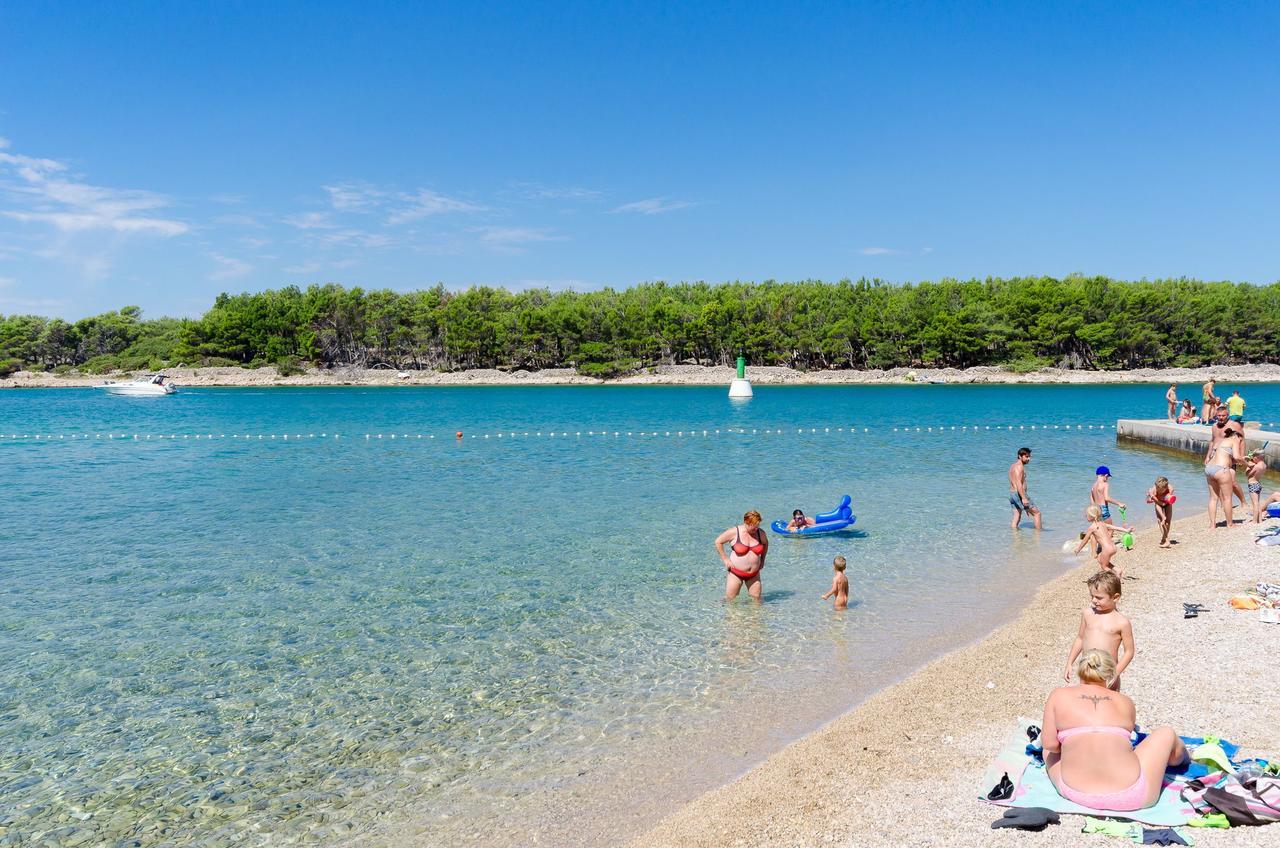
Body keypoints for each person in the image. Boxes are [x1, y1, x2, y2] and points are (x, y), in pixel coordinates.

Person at [1042, 649, 1188, 812]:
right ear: (1110, 674)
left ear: (1081, 670)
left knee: (1047, 750)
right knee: (1165, 733)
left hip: (1075, 791)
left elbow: (1050, 744)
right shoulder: (1125, 702)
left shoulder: (1058, 695)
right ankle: (1183, 758)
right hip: (1132, 797)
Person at [1063, 571, 1134, 691]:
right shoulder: (1087, 614)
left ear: (1115, 597)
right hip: (1087, 669)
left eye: (1099, 598)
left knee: (1109, 703)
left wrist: (1116, 672)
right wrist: (1069, 662)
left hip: (1107, 672)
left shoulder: (1122, 622)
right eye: (1092, 596)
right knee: (1086, 699)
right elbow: (1080, 638)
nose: (1094, 601)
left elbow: (1129, 652)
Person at [714, 510, 768, 602]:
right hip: (736, 573)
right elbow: (718, 542)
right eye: (753, 527)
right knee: (731, 601)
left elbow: (766, 544)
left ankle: (755, 617)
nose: (756, 529)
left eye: (757, 526)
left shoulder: (760, 533)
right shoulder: (735, 532)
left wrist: (762, 560)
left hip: (754, 575)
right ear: (746, 522)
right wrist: (725, 559)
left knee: (757, 601)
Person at [1074, 505, 1133, 579]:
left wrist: (1078, 549)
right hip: (1113, 547)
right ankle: (1117, 570)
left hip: (1106, 549)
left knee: (1104, 566)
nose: (1085, 516)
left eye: (1087, 515)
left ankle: (1115, 576)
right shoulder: (1103, 524)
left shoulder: (1092, 527)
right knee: (1099, 559)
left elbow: (1085, 540)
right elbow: (1115, 527)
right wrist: (1126, 530)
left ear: (1092, 516)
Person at [1204, 424, 1245, 529]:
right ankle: (1230, 524)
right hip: (1221, 469)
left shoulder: (1219, 441)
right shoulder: (1234, 440)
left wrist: (1238, 460)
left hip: (1209, 468)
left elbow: (1220, 456)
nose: (1239, 443)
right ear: (1236, 436)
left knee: (1213, 498)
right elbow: (1236, 456)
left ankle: (1212, 524)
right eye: (1240, 441)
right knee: (1227, 498)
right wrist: (1246, 463)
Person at [1207, 405, 1247, 508]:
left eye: (1223, 415)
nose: (1220, 417)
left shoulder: (1234, 425)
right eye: (1219, 415)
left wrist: (1241, 456)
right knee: (1218, 482)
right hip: (1215, 457)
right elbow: (1212, 441)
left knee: (1232, 482)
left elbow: (1242, 440)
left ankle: (1243, 501)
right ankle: (1223, 504)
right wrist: (1207, 457)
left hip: (1230, 458)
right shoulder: (1214, 426)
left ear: (1227, 415)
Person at [1008, 447, 1042, 530]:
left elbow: (1012, 480)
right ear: (1020, 456)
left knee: (1017, 515)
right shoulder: (1019, 467)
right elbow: (1018, 483)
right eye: (1026, 457)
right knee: (1037, 514)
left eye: (1029, 456)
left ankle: (1015, 537)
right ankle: (1038, 537)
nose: (1029, 459)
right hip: (1019, 494)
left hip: (1012, 494)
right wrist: (1024, 498)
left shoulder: (1012, 466)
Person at [1145, 476, 1175, 548]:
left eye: (1161, 490)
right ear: (1155, 486)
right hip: (1158, 504)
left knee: (1168, 522)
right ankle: (1167, 541)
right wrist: (1150, 498)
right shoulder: (1153, 490)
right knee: (1160, 520)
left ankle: (1164, 538)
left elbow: (1171, 498)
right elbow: (1147, 500)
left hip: (1168, 504)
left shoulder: (1170, 488)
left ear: (1166, 487)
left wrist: (1169, 497)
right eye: (1158, 489)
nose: (1159, 491)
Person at [1245, 451, 1269, 523]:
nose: (1253, 459)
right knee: (1257, 503)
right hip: (1258, 484)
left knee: (1255, 504)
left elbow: (1248, 475)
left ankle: (1254, 521)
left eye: (1254, 457)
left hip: (1253, 484)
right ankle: (1260, 520)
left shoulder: (1256, 466)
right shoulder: (1264, 465)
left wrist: (1248, 467)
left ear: (1257, 457)